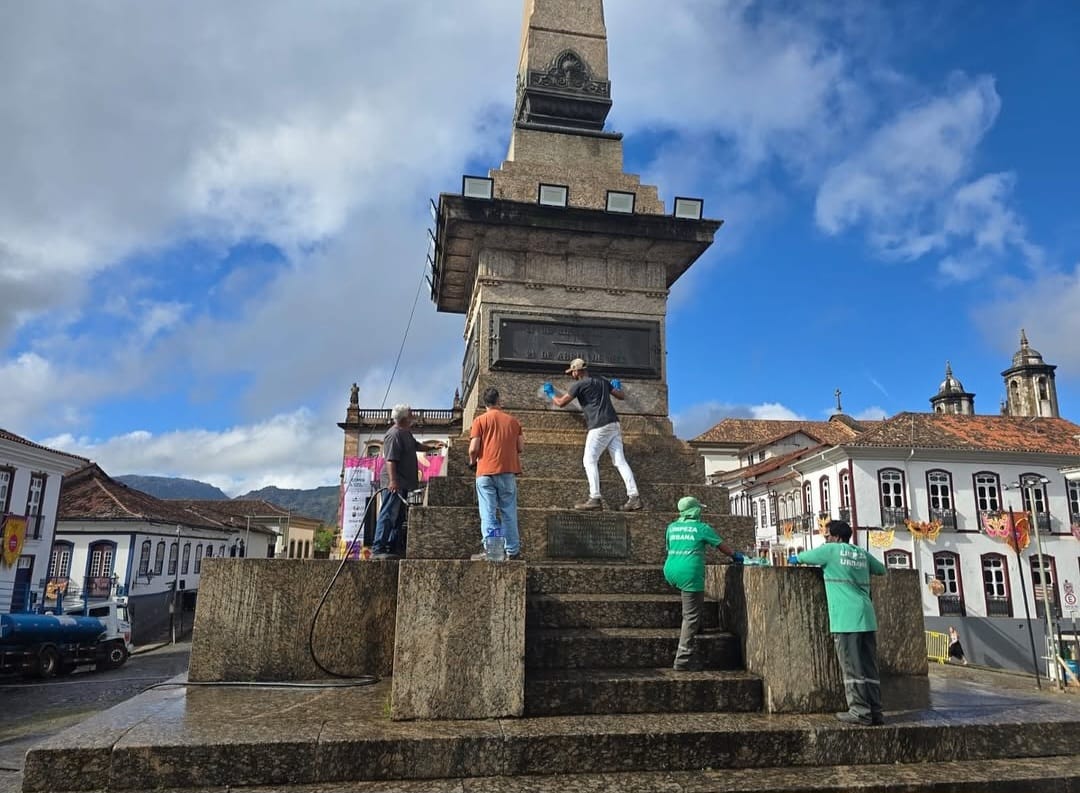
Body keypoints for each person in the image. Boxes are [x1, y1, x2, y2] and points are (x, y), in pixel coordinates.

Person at [790, 520, 888, 725]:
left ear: (835, 537)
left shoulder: (831, 550)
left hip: (845, 618)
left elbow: (801, 558)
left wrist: (793, 558)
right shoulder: (860, 552)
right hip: (867, 616)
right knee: (869, 666)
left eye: (827, 536)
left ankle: (859, 712)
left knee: (852, 667)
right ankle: (876, 711)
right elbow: (881, 569)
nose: (825, 539)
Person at [546, 358, 641, 511]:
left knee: (589, 460)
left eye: (572, 372)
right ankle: (634, 496)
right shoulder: (602, 380)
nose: (572, 375)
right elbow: (621, 396)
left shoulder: (579, 385)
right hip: (614, 423)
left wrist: (551, 393)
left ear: (577, 371)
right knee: (620, 461)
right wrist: (616, 387)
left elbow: (561, 403)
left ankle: (595, 497)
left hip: (599, 425)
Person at [663, 496, 745, 671]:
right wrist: (736, 556)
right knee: (690, 616)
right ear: (695, 510)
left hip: (670, 570)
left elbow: (669, 547)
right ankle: (682, 660)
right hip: (689, 573)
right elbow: (722, 547)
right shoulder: (702, 528)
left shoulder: (671, 527)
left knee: (692, 605)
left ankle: (698, 628)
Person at [468, 387, 524, 560]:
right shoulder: (514, 422)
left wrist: (472, 461)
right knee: (508, 512)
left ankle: (494, 551)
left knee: (488, 512)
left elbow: (473, 448)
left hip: (485, 472)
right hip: (507, 472)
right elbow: (520, 447)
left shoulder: (480, 421)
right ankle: (512, 550)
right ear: (499, 401)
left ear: (485, 403)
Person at [371, 404, 419, 560]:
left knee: (398, 516)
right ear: (404, 418)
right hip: (394, 482)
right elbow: (390, 460)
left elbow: (415, 445)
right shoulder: (393, 435)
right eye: (411, 414)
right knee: (388, 513)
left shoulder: (406, 433)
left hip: (403, 482)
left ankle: (391, 546)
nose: (413, 416)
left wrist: (431, 447)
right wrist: (393, 481)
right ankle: (378, 548)